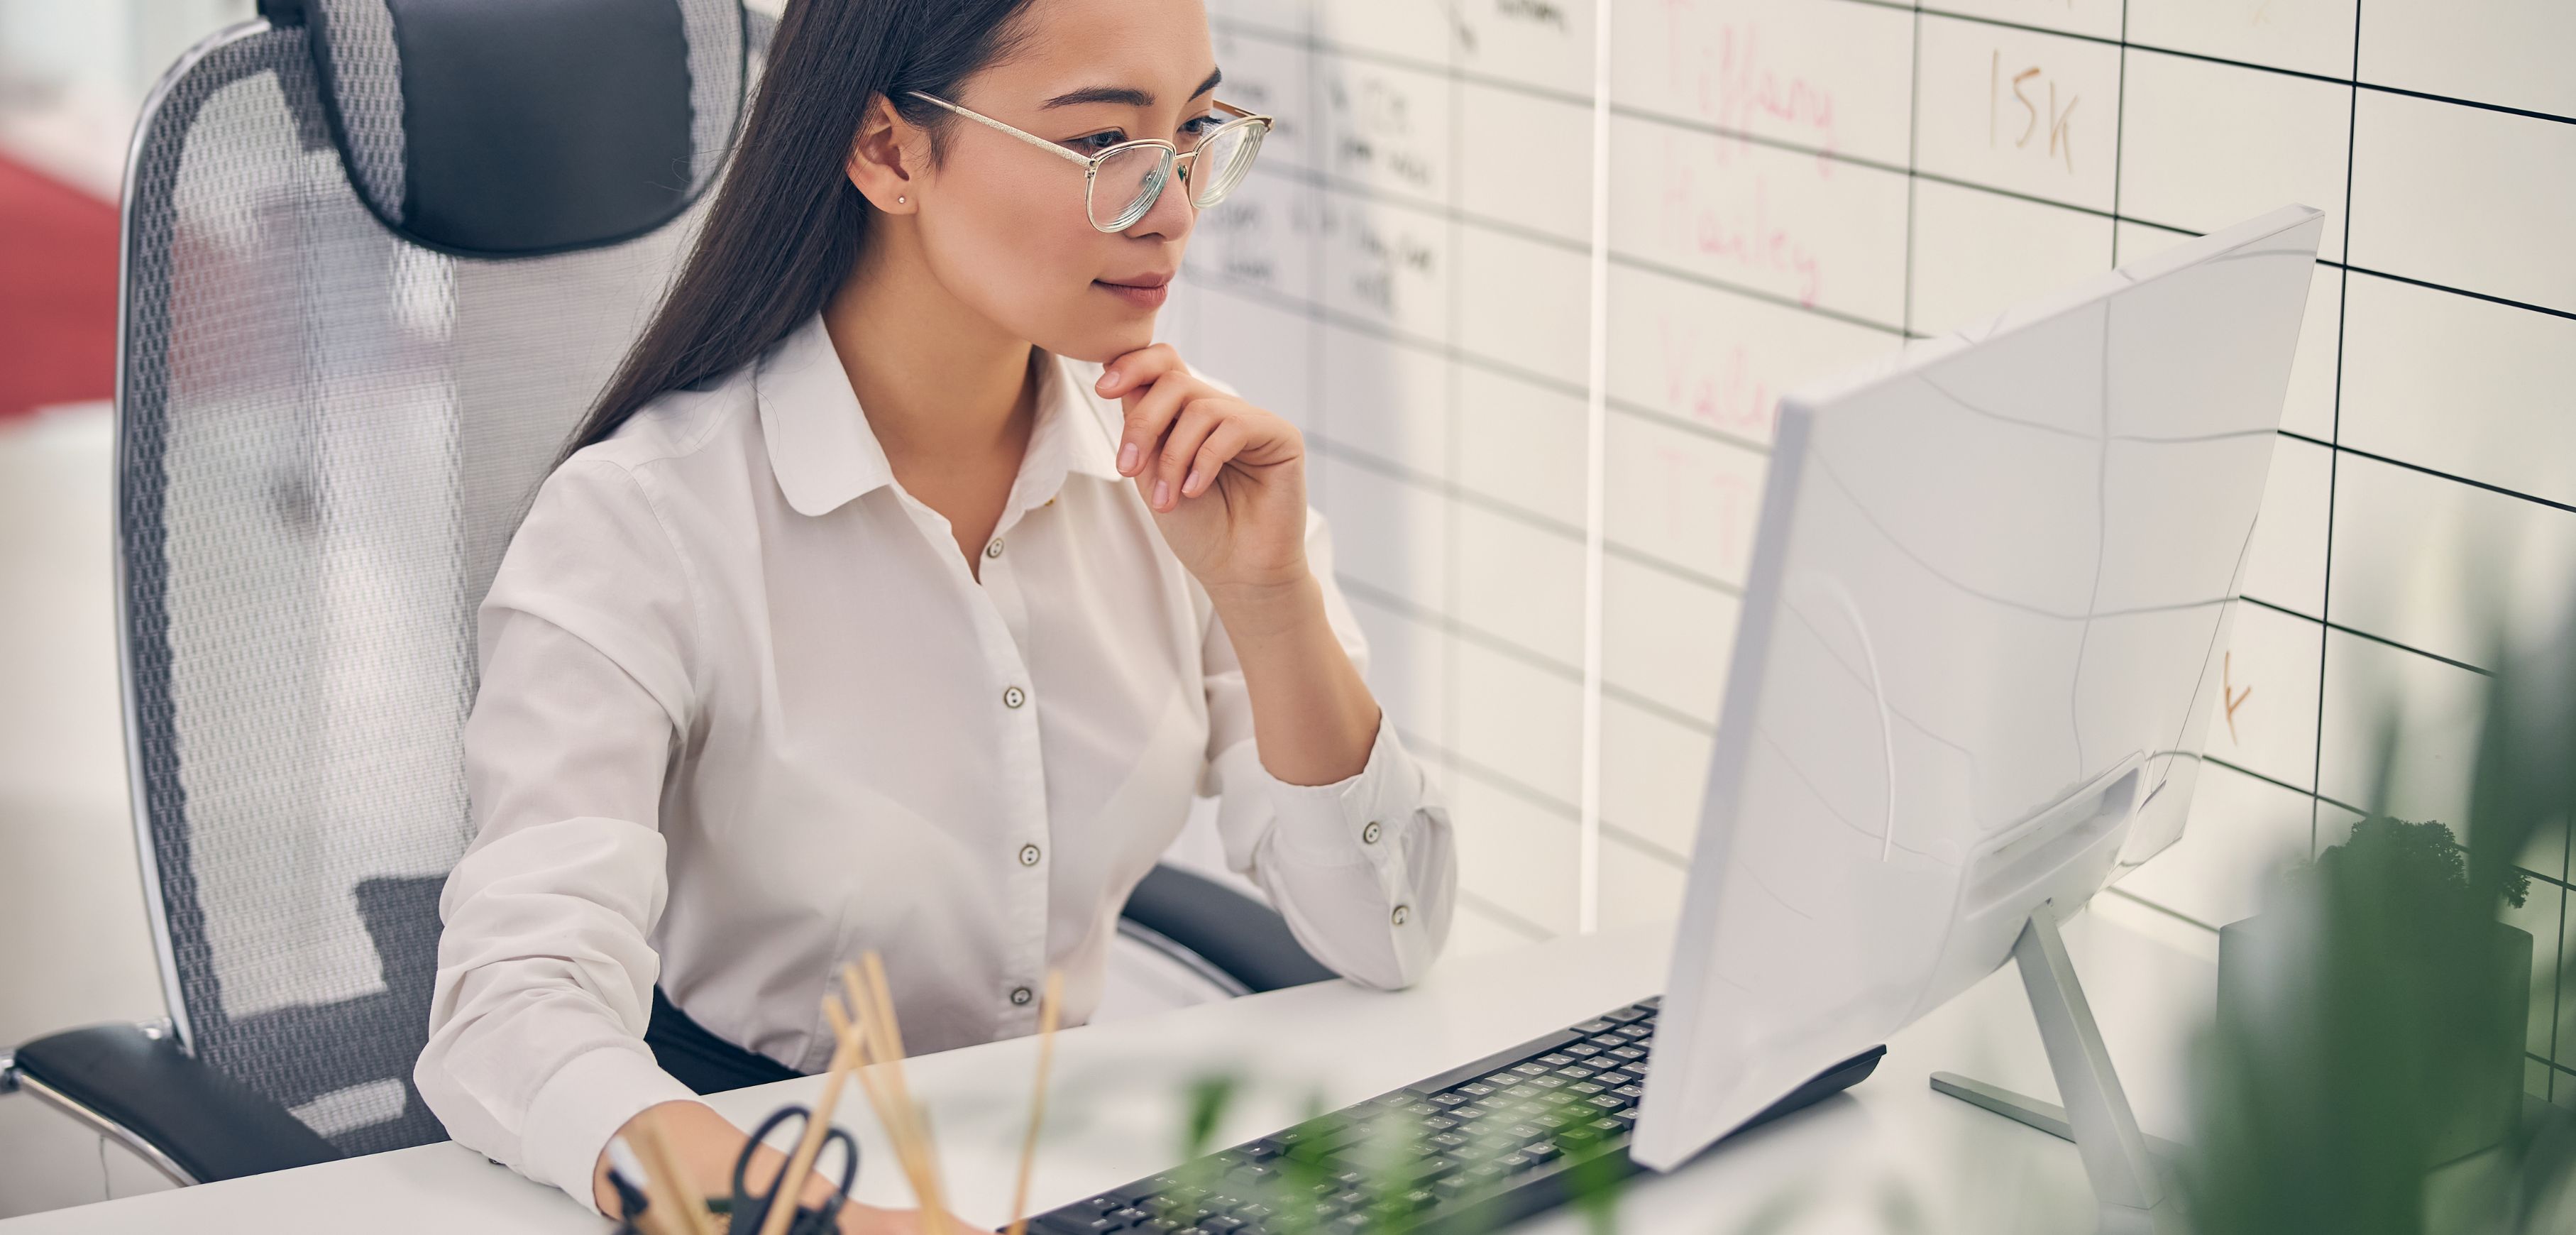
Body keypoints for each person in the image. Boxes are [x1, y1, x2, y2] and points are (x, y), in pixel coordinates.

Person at [411, 0, 1456, 1229]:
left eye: (1191, 133)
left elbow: (1391, 938)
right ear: (889, 152)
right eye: (1102, 144)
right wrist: (816, 1219)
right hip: (750, 1176)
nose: (1173, 207)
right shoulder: (642, 523)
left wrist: (1270, 599)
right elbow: (512, 1011)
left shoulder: (1191, 471)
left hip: (1055, 1172)